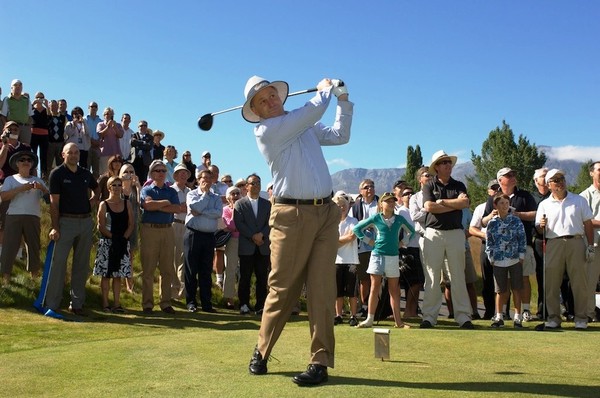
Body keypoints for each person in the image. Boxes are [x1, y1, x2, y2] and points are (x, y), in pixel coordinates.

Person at [243, 75, 352, 387]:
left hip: (326, 213)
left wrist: (342, 101)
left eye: (272, 95)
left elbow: (340, 135)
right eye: (262, 101)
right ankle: (262, 350)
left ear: (280, 97)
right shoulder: (266, 130)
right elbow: (312, 111)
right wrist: (323, 91)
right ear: (257, 111)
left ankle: (319, 362)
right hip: (291, 215)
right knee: (282, 288)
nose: (270, 101)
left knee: (322, 289)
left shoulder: (301, 124)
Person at [535, 169, 595, 331]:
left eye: (561, 178)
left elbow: (588, 223)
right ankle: (553, 318)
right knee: (551, 283)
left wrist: (590, 246)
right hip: (553, 243)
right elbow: (540, 230)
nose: (560, 182)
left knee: (579, 283)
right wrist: (541, 226)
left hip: (576, 242)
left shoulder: (579, 200)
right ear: (549, 185)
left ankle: (581, 318)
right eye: (555, 180)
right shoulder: (544, 204)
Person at [420, 150, 473, 329]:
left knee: (458, 274)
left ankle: (463, 316)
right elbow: (429, 207)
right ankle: (429, 316)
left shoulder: (459, 185)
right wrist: (452, 204)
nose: (447, 165)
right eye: (443, 163)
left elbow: (465, 203)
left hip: (455, 233)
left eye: (449, 162)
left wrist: (441, 202)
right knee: (432, 276)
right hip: (433, 233)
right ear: (437, 167)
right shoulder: (428, 185)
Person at [43, 143, 99, 315]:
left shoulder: (85, 173)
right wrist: (55, 226)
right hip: (65, 222)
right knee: (58, 264)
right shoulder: (57, 173)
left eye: (76, 152)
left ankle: (77, 304)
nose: (74, 155)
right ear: (63, 155)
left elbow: (97, 190)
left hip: (85, 222)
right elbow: (54, 203)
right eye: (70, 153)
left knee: (81, 265)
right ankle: (52, 304)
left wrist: (89, 204)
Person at [482, 167, 537, 322]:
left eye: (514, 174)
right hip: (499, 251)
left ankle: (525, 311)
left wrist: (517, 214)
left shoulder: (524, 196)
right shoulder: (493, 199)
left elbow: (535, 214)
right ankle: (501, 313)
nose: (513, 177)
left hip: (521, 246)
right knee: (502, 284)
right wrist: (491, 216)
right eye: (509, 175)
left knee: (522, 279)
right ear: (500, 180)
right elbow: (483, 222)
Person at [354, 192, 414, 329]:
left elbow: (412, 231)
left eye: (393, 201)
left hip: (393, 256)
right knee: (374, 288)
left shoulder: (399, 219)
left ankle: (398, 322)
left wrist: (402, 243)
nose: (391, 203)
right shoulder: (375, 218)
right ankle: (369, 319)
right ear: (381, 204)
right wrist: (369, 241)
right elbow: (357, 229)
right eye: (388, 201)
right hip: (377, 256)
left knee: (394, 290)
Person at [139, 160, 180, 314]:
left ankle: (165, 302)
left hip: (168, 230)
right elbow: (147, 206)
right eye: (157, 170)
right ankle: (148, 304)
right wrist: (165, 203)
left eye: (163, 170)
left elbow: (177, 208)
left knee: (167, 269)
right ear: (152, 173)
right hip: (150, 230)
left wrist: (158, 205)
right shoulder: (147, 189)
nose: (161, 173)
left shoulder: (172, 191)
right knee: (148, 269)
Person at [0, 152, 48, 285]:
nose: (26, 161)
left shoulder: (38, 180)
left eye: (29, 160)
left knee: (33, 246)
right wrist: (22, 188)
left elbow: (49, 199)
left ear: (32, 164)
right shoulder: (10, 179)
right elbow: (4, 197)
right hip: (13, 216)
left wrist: (42, 188)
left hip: (33, 216)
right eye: (22, 160)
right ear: (17, 164)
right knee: (9, 246)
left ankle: (34, 278)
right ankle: (5, 279)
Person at [93, 176, 134, 313]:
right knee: (106, 275)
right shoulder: (103, 204)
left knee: (118, 275)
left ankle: (117, 304)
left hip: (122, 242)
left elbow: (131, 224)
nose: (116, 188)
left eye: (119, 185)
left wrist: (123, 238)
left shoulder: (126, 203)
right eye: (114, 185)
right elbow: (101, 225)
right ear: (109, 187)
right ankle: (105, 304)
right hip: (107, 243)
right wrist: (113, 238)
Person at [486, 193, 527, 328]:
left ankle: (517, 317)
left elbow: (521, 238)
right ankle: (499, 316)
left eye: (506, 203)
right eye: (501, 203)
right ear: (496, 205)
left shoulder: (515, 221)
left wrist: (521, 256)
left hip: (514, 258)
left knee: (516, 288)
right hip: (498, 259)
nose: (504, 206)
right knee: (500, 290)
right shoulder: (492, 223)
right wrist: (491, 256)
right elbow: (489, 242)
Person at [184, 168, 222, 313]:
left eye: (209, 178)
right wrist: (205, 196)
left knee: (206, 271)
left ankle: (206, 303)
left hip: (208, 237)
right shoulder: (192, 194)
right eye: (203, 178)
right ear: (199, 179)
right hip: (193, 235)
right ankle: (191, 302)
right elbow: (195, 207)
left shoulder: (217, 197)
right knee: (191, 270)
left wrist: (202, 212)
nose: (206, 181)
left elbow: (218, 213)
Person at [233, 173, 271, 316]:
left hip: (262, 246)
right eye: (253, 183)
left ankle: (261, 305)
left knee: (262, 277)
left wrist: (261, 235)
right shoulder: (240, 204)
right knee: (245, 277)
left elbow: (270, 222)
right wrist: (253, 236)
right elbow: (239, 223)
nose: (256, 185)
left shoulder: (267, 204)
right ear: (247, 186)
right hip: (247, 246)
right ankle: (244, 304)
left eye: (258, 183)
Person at [469, 179, 500, 319]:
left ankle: (503, 312)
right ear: (488, 191)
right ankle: (489, 312)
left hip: (504, 247)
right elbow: (472, 228)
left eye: (499, 187)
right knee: (487, 281)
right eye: (493, 188)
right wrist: (485, 235)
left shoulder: (507, 205)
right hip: (486, 245)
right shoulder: (481, 208)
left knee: (504, 280)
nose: (497, 190)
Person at [349, 179, 379, 318]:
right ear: (361, 191)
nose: (370, 189)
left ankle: (378, 307)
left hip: (379, 246)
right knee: (364, 279)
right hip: (362, 247)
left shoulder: (380, 203)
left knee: (378, 278)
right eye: (366, 187)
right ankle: (364, 306)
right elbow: (352, 226)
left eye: (372, 186)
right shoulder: (355, 206)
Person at [395, 185, 424, 318]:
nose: (409, 195)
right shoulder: (401, 212)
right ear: (401, 197)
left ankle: (413, 311)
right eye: (406, 194)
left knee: (417, 282)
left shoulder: (418, 209)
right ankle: (408, 311)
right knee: (413, 282)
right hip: (408, 249)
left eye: (411, 193)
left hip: (421, 247)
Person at [332, 194, 359, 326]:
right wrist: (343, 239)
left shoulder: (353, 221)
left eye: (344, 205)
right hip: (336, 260)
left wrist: (335, 241)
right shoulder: (331, 222)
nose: (342, 208)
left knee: (352, 291)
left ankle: (353, 315)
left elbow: (352, 237)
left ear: (348, 207)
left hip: (351, 260)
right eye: (339, 206)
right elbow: (331, 240)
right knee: (338, 291)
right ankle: (338, 315)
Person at [579, 161, 600, 321]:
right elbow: (584, 220)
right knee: (590, 281)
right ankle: (589, 314)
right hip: (594, 243)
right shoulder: (585, 196)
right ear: (592, 173)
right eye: (599, 170)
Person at [531, 167, 550, 319]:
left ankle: (568, 310)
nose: (546, 178)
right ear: (536, 181)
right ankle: (542, 311)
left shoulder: (555, 196)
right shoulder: (531, 199)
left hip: (556, 240)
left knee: (563, 277)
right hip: (539, 240)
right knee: (541, 276)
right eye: (543, 176)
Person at [119, 163, 141, 293]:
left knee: (129, 256)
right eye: (126, 172)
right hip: (119, 226)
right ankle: (117, 282)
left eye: (131, 171)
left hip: (132, 226)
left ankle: (129, 284)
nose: (129, 174)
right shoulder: (116, 187)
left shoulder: (135, 189)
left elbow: (140, 203)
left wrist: (138, 186)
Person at [171, 163, 191, 300]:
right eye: (180, 173)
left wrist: (182, 208)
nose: (183, 175)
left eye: (185, 173)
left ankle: (182, 293)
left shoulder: (190, 191)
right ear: (176, 175)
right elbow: (173, 208)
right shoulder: (171, 190)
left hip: (188, 226)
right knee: (173, 258)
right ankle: (172, 291)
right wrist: (179, 208)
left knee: (184, 259)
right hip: (175, 225)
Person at [222, 185, 242, 309]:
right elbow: (231, 225)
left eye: (237, 194)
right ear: (228, 197)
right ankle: (229, 298)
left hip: (245, 241)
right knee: (230, 269)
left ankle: (242, 298)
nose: (235, 196)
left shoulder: (245, 208)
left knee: (244, 271)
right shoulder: (225, 210)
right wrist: (234, 210)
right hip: (232, 241)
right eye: (232, 194)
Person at [0, 79, 33, 145]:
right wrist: (6, 127)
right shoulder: (7, 99)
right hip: (12, 128)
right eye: (15, 85)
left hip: (25, 128)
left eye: (20, 85)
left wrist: (28, 127)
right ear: (11, 88)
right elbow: (3, 115)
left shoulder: (26, 100)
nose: (18, 87)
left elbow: (30, 115)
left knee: (25, 148)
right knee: (11, 146)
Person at [97, 107, 123, 175]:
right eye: (106, 114)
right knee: (104, 174)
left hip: (116, 153)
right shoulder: (100, 124)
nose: (108, 115)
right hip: (104, 153)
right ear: (104, 115)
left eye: (110, 114)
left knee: (116, 173)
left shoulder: (118, 125)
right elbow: (100, 134)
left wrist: (114, 127)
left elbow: (120, 135)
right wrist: (108, 127)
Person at [30, 92, 50, 179]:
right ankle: (32, 172)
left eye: (41, 97)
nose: (39, 99)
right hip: (33, 134)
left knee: (44, 156)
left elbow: (50, 116)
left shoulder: (46, 110)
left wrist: (47, 105)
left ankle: (44, 175)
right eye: (38, 97)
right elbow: (27, 114)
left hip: (44, 135)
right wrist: (32, 104)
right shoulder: (32, 109)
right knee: (33, 154)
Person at [46, 100, 66, 173]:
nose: (53, 107)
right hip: (50, 143)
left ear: (57, 106)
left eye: (55, 106)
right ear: (49, 107)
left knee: (60, 165)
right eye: (51, 106)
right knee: (48, 164)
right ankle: (46, 181)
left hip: (60, 143)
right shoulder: (47, 117)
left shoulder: (63, 117)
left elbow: (65, 131)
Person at [86, 102, 102, 179]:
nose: (94, 108)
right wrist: (92, 141)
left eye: (95, 106)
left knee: (96, 172)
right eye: (92, 106)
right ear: (88, 107)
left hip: (97, 148)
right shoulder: (84, 119)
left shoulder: (100, 121)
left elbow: (102, 134)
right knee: (87, 170)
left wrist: (97, 142)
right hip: (87, 147)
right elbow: (84, 133)